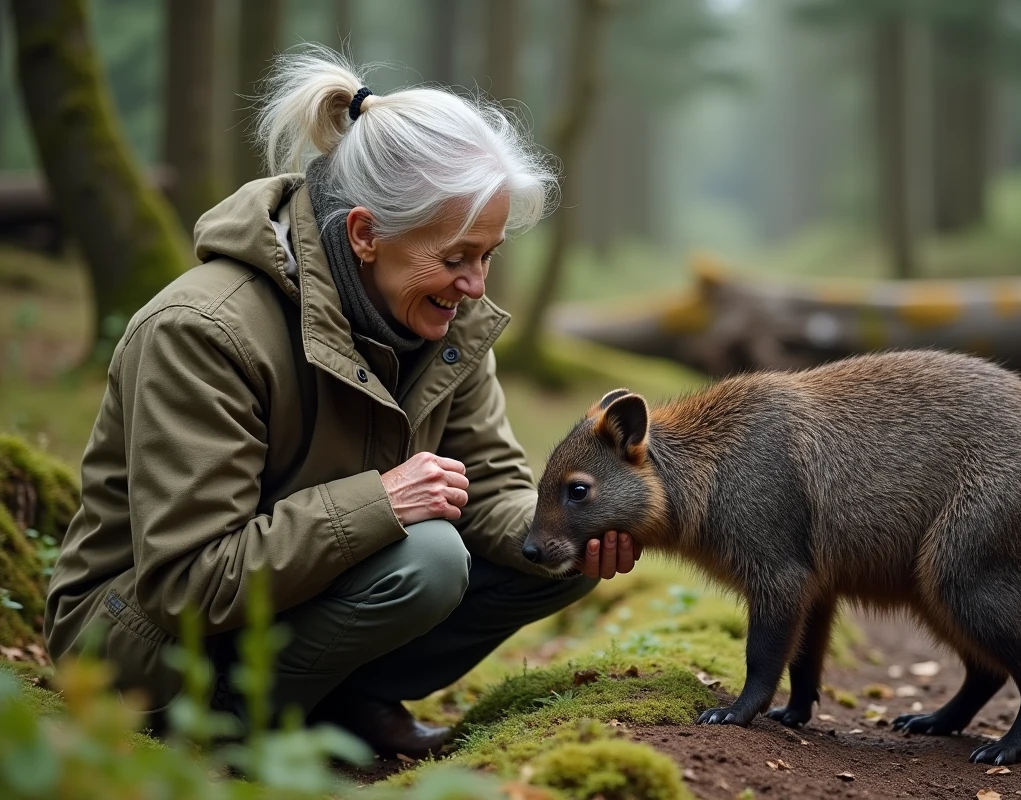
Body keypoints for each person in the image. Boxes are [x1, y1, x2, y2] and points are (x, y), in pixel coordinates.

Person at [43, 47, 641, 760]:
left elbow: (489, 490)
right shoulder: (203, 332)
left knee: (556, 548)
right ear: (365, 234)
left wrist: (568, 533)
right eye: (455, 258)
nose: (477, 285)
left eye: (489, 255)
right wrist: (380, 503)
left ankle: (342, 700)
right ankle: (230, 728)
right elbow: (188, 582)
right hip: (140, 645)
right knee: (429, 559)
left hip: (289, 602)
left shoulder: (441, 324)